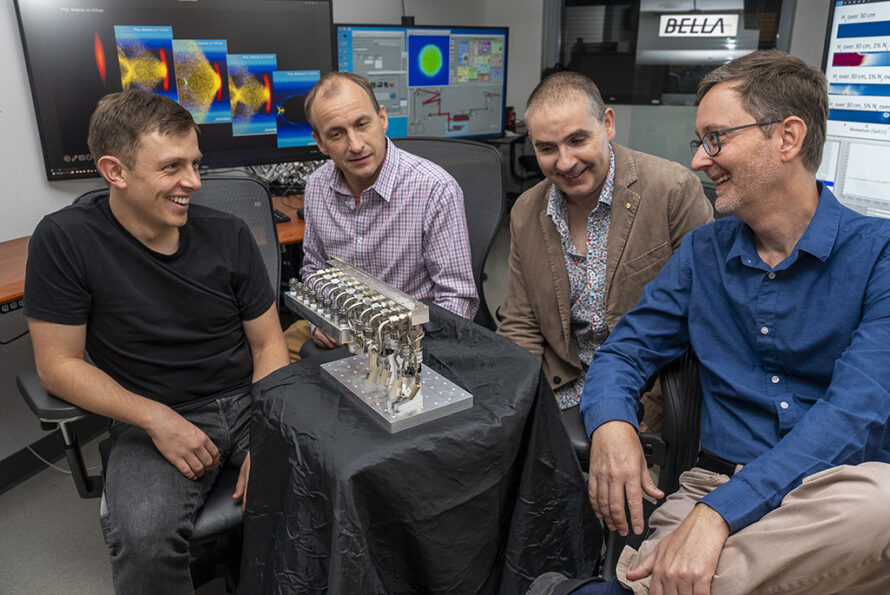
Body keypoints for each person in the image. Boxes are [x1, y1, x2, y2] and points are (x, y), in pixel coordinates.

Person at [572, 50, 890, 594]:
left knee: (882, 502)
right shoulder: (703, 253)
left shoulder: (878, 254)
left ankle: (643, 586)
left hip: (831, 498)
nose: (699, 160)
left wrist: (718, 518)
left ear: (788, 138)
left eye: (716, 139)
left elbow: (854, 414)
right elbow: (625, 352)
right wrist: (611, 425)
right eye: (699, 142)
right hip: (709, 482)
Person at [23, 89, 290, 593]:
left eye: (195, 163)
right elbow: (57, 365)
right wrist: (154, 417)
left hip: (251, 400)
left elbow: (268, 346)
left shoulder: (229, 233)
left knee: (330, 486)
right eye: (172, 168)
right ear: (115, 171)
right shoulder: (65, 241)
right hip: (151, 414)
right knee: (144, 542)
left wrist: (271, 432)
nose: (193, 182)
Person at [497, 71, 712, 427]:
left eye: (577, 140)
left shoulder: (672, 191)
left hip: (642, 388)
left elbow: (702, 318)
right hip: (558, 382)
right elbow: (521, 322)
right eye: (547, 148)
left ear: (608, 124)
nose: (565, 163)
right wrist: (516, 404)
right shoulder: (526, 210)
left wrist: (650, 414)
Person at [284, 71, 478, 359]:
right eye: (336, 134)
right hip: (341, 337)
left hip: (411, 344)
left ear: (382, 119)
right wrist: (319, 323)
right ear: (320, 143)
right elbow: (314, 272)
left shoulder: (434, 188)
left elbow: (456, 299)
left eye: (362, 124)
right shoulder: (317, 185)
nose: (356, 145)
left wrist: (399, 346)